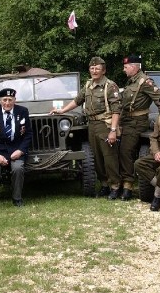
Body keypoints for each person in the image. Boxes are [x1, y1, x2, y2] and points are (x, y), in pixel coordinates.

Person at [51, 56, 122, 199]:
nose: (94, 71)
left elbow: (116, 110)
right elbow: (78, 100)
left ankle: (115, 187)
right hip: (92, 125)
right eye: (92, 68)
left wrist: (113, 130)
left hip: (105, 125)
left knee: (109, 157)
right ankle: (104, 185)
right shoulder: (89, 85)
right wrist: (63, 110)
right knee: (97, 158)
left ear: (103, 71)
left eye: (97, 69)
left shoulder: (110, 86)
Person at [117, 54, 160, 201]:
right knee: (122, 152)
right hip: (126, 121)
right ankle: (123, 183)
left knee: (126, 152)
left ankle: (128, 186)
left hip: (136, 123)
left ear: (134, 67)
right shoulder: (132, 82)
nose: (123, 70)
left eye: (125, 67)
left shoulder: (145, 82)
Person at [0, 87, 32, 209]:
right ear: (0, 100)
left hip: (16, 150)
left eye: (10, 99)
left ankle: (17, 198)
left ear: (15, 100)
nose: (7, 103)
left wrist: (20, 151)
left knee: (18, 169)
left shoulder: (23, 111)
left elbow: (28, 134)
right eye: (4, 100)